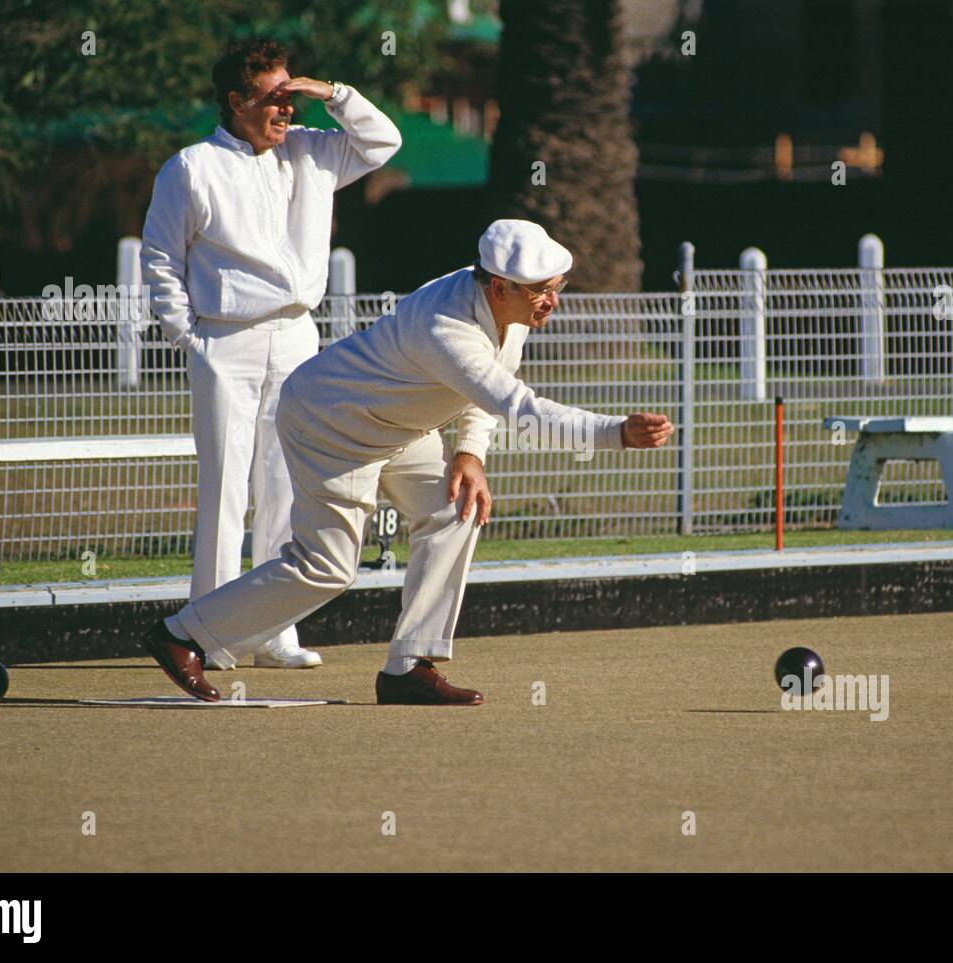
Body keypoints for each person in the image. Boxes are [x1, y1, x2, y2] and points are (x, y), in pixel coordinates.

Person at [143, 219, 676, 705]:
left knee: (455, 510)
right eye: (541, 291)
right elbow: (516, 406)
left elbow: (486, 391)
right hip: (333, 425)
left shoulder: (504, 310)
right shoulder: (446, 328)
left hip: (400, 428)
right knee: (327, 568)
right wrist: (615, 433)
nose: (551, 302)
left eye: (555, 287)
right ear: (499, 287)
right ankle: (181, 634)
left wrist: (469, 452)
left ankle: (407, 667)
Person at [141, 39, 401, 668]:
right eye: (273, 99)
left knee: (289, 488)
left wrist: (332, 94)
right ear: (236, 101)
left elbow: (383, 142)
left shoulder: (314, 150)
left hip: (297, 338)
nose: (285, 112)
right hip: (223, 340)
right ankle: (204, 635)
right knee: (226, 489)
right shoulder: (191, 167)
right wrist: (190, 339)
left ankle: (275, 632)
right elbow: (159, 260)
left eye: (291, 98)